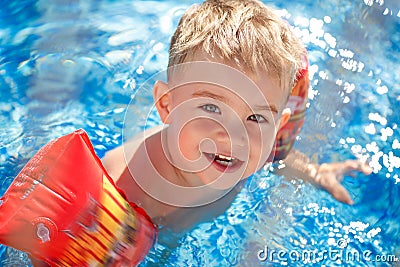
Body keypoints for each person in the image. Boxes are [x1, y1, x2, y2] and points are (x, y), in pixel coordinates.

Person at [103, 0, 371, 232]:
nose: (234, 136)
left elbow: (275, 159)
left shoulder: (248, 150)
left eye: (256, 118)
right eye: (211, 108)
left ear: (278, 129)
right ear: (166, 105)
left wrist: (314, 172)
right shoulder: (123, 189)